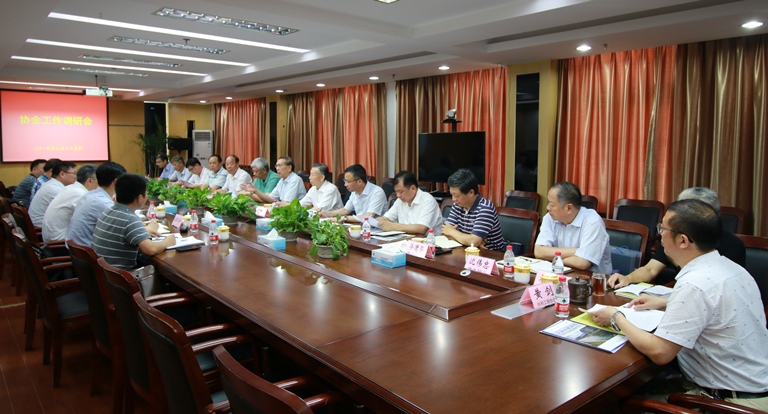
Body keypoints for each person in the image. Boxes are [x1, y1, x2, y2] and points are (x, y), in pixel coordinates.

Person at [590, 199, 768, 411]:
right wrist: (667, 302)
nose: (660, 235)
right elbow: (717, 307)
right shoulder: (731, 268)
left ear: (683, 240)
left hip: (727, 400)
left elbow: (660, 352)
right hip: (752, 385)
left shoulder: (695, 284)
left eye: (663, 228)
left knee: (612, 404)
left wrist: (615, 317)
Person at [608, 187, 746, 289]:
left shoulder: (732, 246)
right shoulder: (673, 235)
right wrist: (628, 278)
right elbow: (650, 269)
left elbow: (713, 291)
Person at [92, 174, 175, 270]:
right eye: (146, 193)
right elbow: (150, 249)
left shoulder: (108, 211)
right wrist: (167, 242)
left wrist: (143, 230)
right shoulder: (130, 219)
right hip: (122, 275)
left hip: (104, 273)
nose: (147, 196)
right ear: (139, 198)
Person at [534, 181, 612, 273]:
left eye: (552, 205)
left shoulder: (593, 222)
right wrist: (575, 251)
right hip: (560, 274)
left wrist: (554, 260)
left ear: (569, 208)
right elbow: (538, 251)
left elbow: (582, 263)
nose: (547, 208)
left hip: (591, 278)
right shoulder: (550, 217)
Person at [441, 168, 506, 251]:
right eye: (452, 195)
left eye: (456, 195)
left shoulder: (485, 207)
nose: (453, 199)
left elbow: (473, 241)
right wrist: (470, 241)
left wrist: (452, 232)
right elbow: (445, 232)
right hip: (467, 250)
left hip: (490, 254)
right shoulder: (457, 205)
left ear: (471, 192)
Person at [67, 161, 126, 247]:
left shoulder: (89, 195)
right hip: (89, 252)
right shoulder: (102, 202)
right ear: (116, 182)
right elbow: (124, 230)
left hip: (78, 250)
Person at [42, 164, 98, 242]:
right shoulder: (80, 193)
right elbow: (92, 219)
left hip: (54, 237)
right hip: (59, 242)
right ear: (90, 181)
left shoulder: (71, 188)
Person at [379, 170, 443, 235]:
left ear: (413, 188)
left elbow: (421, 228)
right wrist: (374, 222)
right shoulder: (400, 201)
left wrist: (393, 226)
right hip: (406, 239)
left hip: (428, 240)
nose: (398, 195)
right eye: (396, 192)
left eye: (401, 192)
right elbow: (386, 218)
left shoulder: (427, 200)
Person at [319, 164, 386, 223]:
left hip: (376, 228)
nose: (345, 184)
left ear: (359, 182)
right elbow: (345, 210)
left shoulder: (377, 192)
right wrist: (327, 213)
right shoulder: (354, 192)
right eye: (345, 181)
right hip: (360, 225)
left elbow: (368, 216)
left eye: (348, 182)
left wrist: (344, 218)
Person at [28, 161, 77, 227]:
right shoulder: (55, 189)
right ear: (62, 174)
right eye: (74, 173)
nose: (75, 177)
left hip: (40, 224)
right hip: (40, 227)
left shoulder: (51, 184)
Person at [242, 156, 306, 204]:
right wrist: (255, 191)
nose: (277, 168)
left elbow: (285, 203)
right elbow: (270, 199)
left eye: (279, 166)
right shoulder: (282, 181)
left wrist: (276, 203)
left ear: (289, 168)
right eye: (276, 166)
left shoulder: (295, 180)